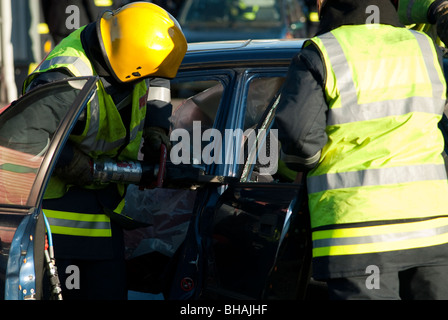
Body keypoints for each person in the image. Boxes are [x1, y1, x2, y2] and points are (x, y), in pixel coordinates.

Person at [274, 0, 448, 299]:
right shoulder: (423, 47)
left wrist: (308, 161)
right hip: (432, 226)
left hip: (358, 231)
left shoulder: (323, 50)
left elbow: (299, 136)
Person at [21, 2, 187, 299]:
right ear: (132, 66)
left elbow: (159, 77)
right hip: (57, 228)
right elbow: (22, 138)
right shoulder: (67, 78)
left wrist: (157, 128)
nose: (151, 81)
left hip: (104, 215)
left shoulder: (124, 48)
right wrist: (71, 162)